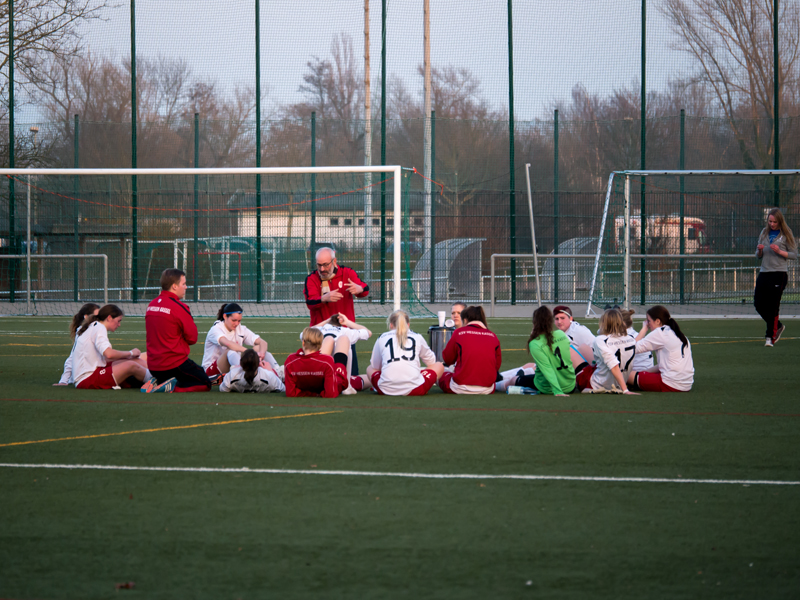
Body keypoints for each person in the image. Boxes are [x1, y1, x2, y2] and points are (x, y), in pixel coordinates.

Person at [144, 268, 211, 393]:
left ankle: (158, 381)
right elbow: (192, 338)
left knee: (196, 372)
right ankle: (171, 387)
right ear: (174, 286)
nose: (186, 287)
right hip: (173, 364)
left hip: (153, 366)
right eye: (184, 284)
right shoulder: (179, 307)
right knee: (205, 383)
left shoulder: (151, 305)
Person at [303, 247, 369, 374]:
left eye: (325, 265)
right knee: (318, 374)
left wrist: (359, 289)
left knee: (351, 375)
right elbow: (310, 303)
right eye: (319, 265)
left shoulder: (347, 273)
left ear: (334, 261)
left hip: (345, 333)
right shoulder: (311, 278)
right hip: (320, 334)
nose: (322, 269)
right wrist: (323, 298)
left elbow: (365, 289)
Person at [73, 304, 156, 390]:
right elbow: (109, 355)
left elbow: (106, 358)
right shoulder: (99, 328)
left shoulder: (94, 326)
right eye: (118, 321)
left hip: (93, 372)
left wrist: (130, 356)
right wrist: (130, 353)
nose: (119, 325)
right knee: (131, 365)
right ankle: (159, 382)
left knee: (134, 360)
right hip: (87, 379)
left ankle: (156, 375)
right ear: (109, 318)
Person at [367, 309, 444, 396]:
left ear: (391, 325)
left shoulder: (382, 337)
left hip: (385, 389)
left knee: (370, 368)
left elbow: (375, 366)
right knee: (439, 365)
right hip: (415, 389)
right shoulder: (417, 336)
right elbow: (431, 362)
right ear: (408, 324)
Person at [755, 208, 797, 346]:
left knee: (773, 306)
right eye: (770, 221)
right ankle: (777, 325)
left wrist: (779, 251)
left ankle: (769, 338)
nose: (772, 224)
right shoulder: (764, 232)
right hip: (764, 272)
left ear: (780, 221)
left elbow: (793, 255)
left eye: (774, 222)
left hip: (779, 273)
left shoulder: (786, 233)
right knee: (758, 303)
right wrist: (760, 250)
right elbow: (758, 255)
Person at [628, 305, 694, 393]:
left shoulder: (660, 333)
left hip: (670, 383)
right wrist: (643, 373)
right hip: (686, 384)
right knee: (636, 374)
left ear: (658, 321)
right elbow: (662, 366)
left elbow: (632, 349)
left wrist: (644, 329)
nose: (647, 324)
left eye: (648, 321)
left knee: (624, 374)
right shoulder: (679, 335)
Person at [439, 306, 501, 395]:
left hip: (459, 387)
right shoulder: (493, 336)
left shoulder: (459, 332)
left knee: (438, 372)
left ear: (465, 320)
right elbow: (497, 365)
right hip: (488, 388)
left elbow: (447, 359)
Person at [202, 303, 272, 381]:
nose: (237, 323)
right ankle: (245, 376)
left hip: (234, 367)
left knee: (258, 348)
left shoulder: (241, 329)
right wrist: (249, 353)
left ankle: (276, 374)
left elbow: (263, 342)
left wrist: (261, 354)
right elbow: (228, 343)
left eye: (239, 321)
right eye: (234, 320)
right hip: (211, 371)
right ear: (225, 316)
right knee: (230, 351)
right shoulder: (216, 329)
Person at [576, 308, 639, 394]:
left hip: (596, 384)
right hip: (619, 382)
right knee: (586, 350)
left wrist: (625, 391)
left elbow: (614, 365)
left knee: (572, 349)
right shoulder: (631, 339)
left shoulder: (600, 340)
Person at [519, 306, 576, 396]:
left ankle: (494, 384)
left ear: (535, 322)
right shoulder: (561, 334)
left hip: (548, 388)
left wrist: (558, 391)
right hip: (570, 385)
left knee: (513, 380)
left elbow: (547, 370)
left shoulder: (535, 343)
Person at [284, 327, 353, 398]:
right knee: (343, 338)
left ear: (303, 342)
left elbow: (290, 393)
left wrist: (310, 394)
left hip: (317, 376)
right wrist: (318, 394)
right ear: (320, 346)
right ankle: (349, 387)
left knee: (329, 338)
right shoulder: (327, 361)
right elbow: (330, 393)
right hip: (333, 382)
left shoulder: (290, 360)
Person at [311, 313, 372, 392]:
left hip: (320, 373)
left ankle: (322, 378)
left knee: (329, 340)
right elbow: (368, 332)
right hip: (340, 376)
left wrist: (326, 321)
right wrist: (347, 322)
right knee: (368, 378)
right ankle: (347, 385)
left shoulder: (319, 330)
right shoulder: (346, 331)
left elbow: (306, 332)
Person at [54, 302, 100, 386]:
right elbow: (72, 357)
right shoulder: (82, 333)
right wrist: (64, 381)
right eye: (96, 317)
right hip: (85, 375)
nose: (99, 319)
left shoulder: (97, 330)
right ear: (86, 317)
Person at [219, 349, 285, 394]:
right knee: (269, 356)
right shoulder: (268, 375)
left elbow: (223, 388)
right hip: (272, 376)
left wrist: (235, 370)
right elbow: (282, 388)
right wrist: (270, 370)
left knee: (231, 353)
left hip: (236, 375)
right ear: (258, 364)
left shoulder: (232, 375)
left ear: (241, 363)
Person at [553, 305, 596, 371]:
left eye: (562, 318)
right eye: (557, 319)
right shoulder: (560, 333)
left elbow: (596, 348)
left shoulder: (579, 330)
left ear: (570, 318)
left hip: (586, 371)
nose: (559, 322)